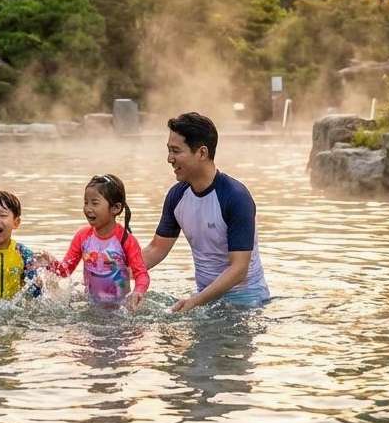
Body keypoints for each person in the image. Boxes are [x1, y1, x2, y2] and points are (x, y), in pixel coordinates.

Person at [141, 112, 270, 312]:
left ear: (202, 153)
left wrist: (195, 301)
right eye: (168, 151)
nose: (169, 159)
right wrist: (116, 270)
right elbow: (156, 249)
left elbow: (239, 269)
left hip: (246, 300)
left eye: (176, 151)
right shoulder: (177, 196)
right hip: (203, 297)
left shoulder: (235, 197)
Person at [47, 173, 149, 310]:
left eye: (95, 203)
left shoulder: (126, 240)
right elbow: (65, 271)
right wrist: (48, 262)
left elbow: (141, 274)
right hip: (92, 308)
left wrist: (138, 292)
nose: (88, 209)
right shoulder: (82, 237)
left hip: (120, 310)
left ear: (116, 208)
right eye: (86, 202)